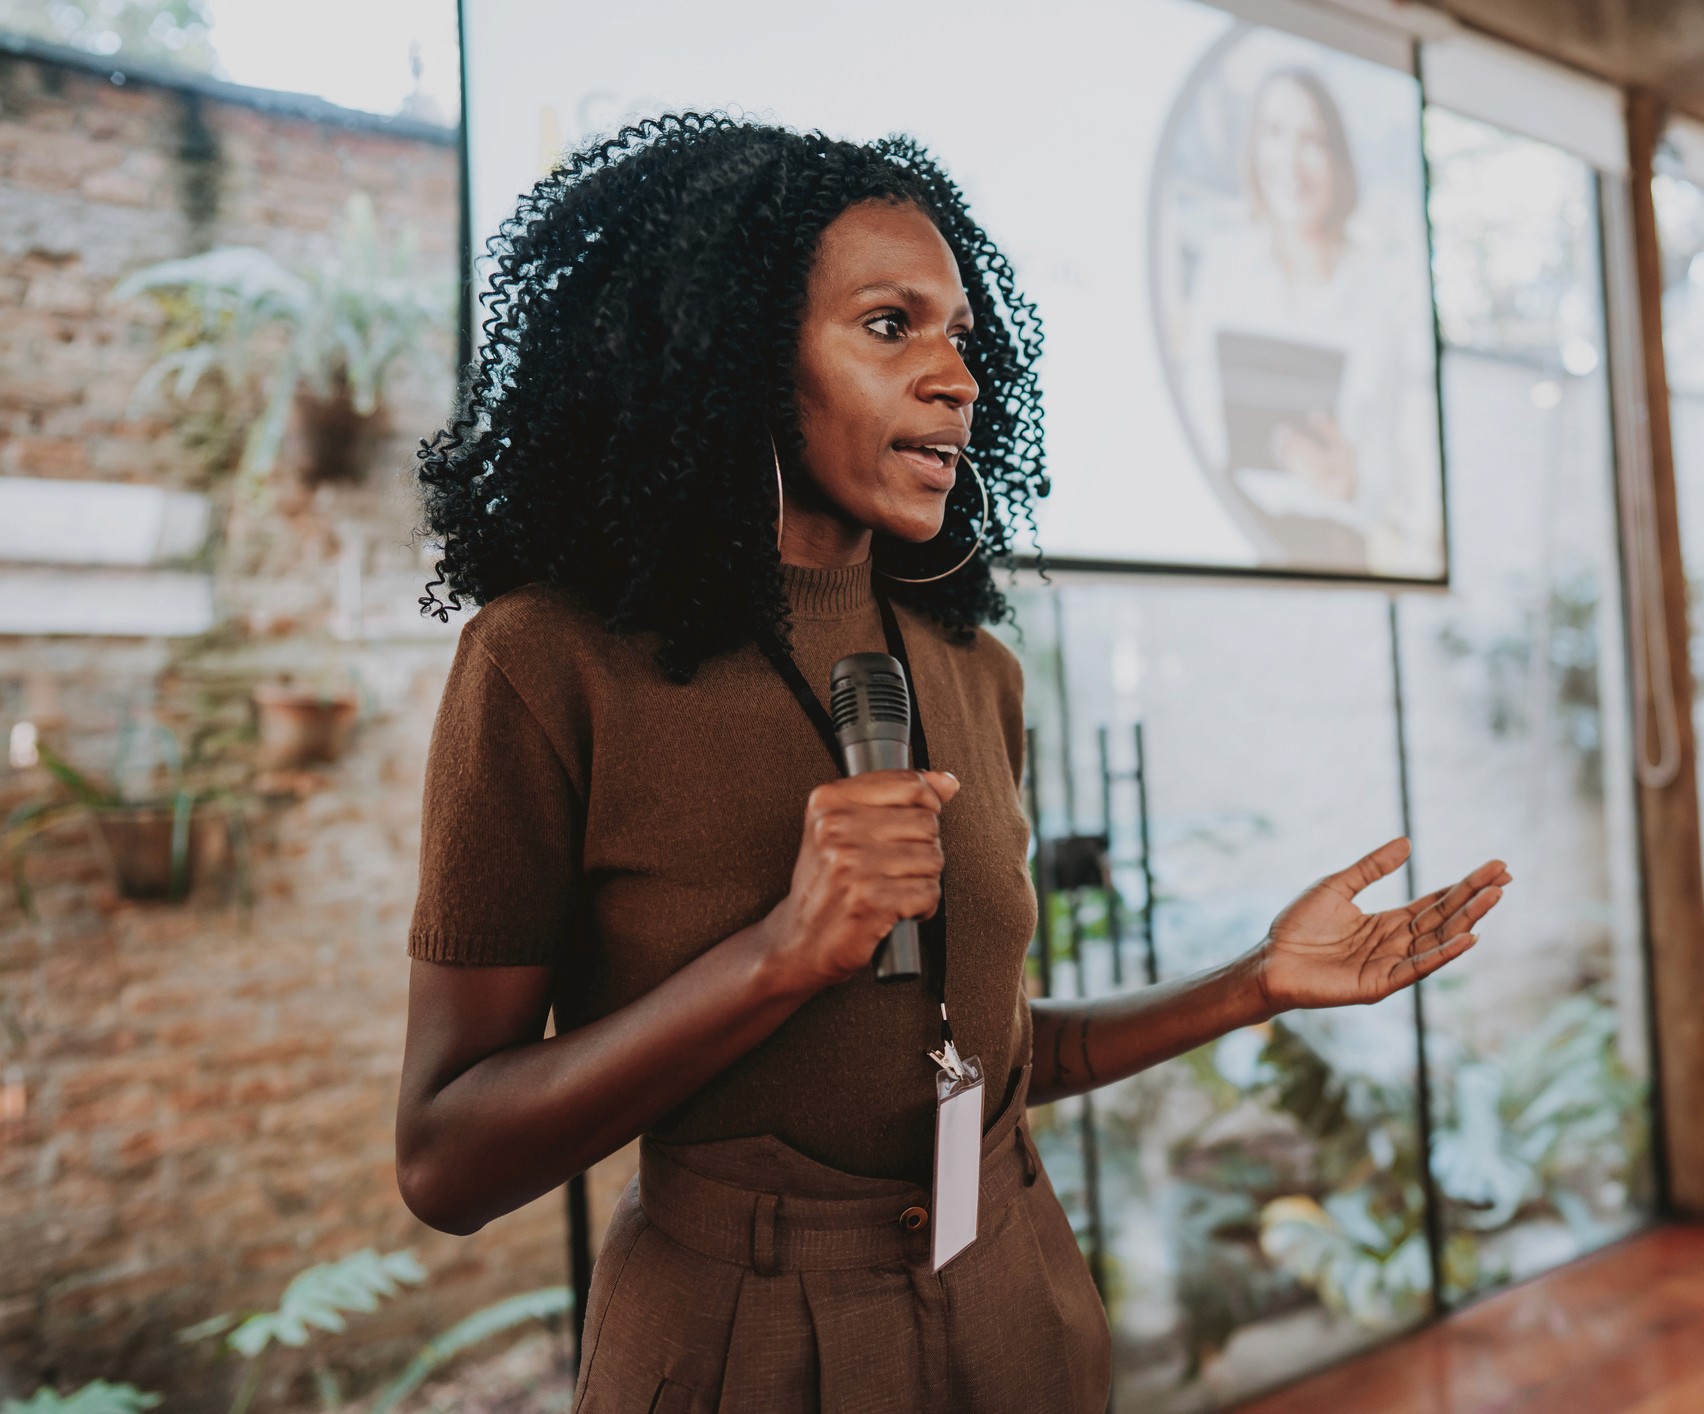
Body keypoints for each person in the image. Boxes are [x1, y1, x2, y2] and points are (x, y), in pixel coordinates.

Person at [395, 114, 1506, 1413]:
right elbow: (445, 1156)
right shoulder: (546, 664)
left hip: (1013, 1293)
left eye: (960, 338)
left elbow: (988, 1051)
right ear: (734, 352)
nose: (954, 377)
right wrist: (779, 953)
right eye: (888, 325)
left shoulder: (974, 666)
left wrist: (1255, 984)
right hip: (738, 1335)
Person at [1172, 66, 1442, 575]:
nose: (1290, 162)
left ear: (1339, 161)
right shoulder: (1224, 268)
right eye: (1274, 133)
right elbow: (1196, 419)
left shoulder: (1378, 297)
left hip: (1334, 554)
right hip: (1223, 542)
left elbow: (1387, 473)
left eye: (1312, 140)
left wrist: (1350, 483)